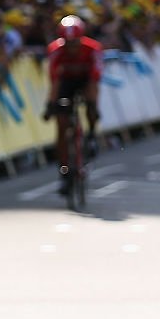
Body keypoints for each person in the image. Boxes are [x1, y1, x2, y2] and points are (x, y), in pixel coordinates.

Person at [43, 15, 102, 195]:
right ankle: (64, 172)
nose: (72, 47)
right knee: (61, 126)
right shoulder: (55, 51)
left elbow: (94, 80)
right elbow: (54, 82)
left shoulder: (93, 49)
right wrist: (50, 105)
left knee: (91, 104)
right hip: (65, 83)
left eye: (75, 43)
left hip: (85, 82)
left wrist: (92, 104)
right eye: (68, 44)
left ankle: (91, 134)